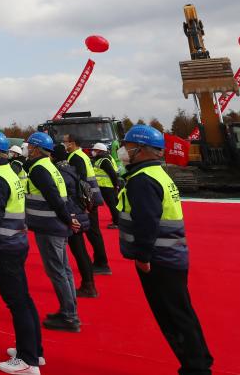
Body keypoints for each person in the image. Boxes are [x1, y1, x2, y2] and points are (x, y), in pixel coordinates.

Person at [118, 124, 213, 375]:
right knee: (182, 312)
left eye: (127, 146)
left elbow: (147, 221)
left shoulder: (141, 180)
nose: (123, 151)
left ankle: (196, 368)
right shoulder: (157, 174)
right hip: (171, 254)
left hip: (159, 259)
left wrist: (143, 256)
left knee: (172, 316)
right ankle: (201, 359)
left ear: (140, 149)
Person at [0, 129, 42, 375]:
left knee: (17, 302)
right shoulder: (9, 171)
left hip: (4, 246)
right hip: (15, 242)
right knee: (23, 298)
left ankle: (28, 360)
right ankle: (34, 350)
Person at [23, 132, 82, 333]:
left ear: (36, 149)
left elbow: (54, 198)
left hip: (50, 227)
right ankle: (68, 309)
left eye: (30, 146)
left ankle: (69, 316)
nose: (27, 149)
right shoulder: (50, 166)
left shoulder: (39, 169)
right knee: (64, 270)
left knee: (57, 271)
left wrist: (68, 220)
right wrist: (69, 219)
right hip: (56, 225)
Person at [53, 145, 98, 299]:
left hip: (74, 214)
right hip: (80, 211)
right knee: (81, 251)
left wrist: (69, 216)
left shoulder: (61, 174)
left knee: (79, 251)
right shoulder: (71, 169)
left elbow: (65, 198)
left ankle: (89, 285)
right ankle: (89, 283)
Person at [63, 134, 110, 275]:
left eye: (65, 142)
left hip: (89, 199)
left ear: (72, 143)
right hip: (91, 198)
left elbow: (81, 180)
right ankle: (101, 261)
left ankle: (102, 263)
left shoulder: (76, 157)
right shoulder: (80, 155)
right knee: (93, 232)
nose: (64, 144)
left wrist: (84, 204)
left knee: (93, 232)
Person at [91, 142, 121, 228]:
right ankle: (118, 219)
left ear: (101, 151)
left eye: (95, 150)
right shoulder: (107, 158)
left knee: (112, 204)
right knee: (115, 204)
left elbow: (112, 174)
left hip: (107, 186)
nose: (93, 152)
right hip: (109, 185)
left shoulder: (103, 161)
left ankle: (117, 222)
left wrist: (116, 185)